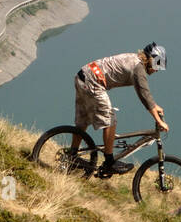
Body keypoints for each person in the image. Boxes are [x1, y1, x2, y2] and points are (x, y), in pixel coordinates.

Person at [70, 43, 167, 177]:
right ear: (151, 60)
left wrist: (155, 106)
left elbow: (146, 95)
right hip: (93, 83)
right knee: (110, 120)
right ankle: (109, 162)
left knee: (83, 121)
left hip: (83, 76)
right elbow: (144, 95)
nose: (156, 70)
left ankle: (72, 156)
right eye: (157, 65)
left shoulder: (135, 59)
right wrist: (158, 120)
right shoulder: (139, 69)